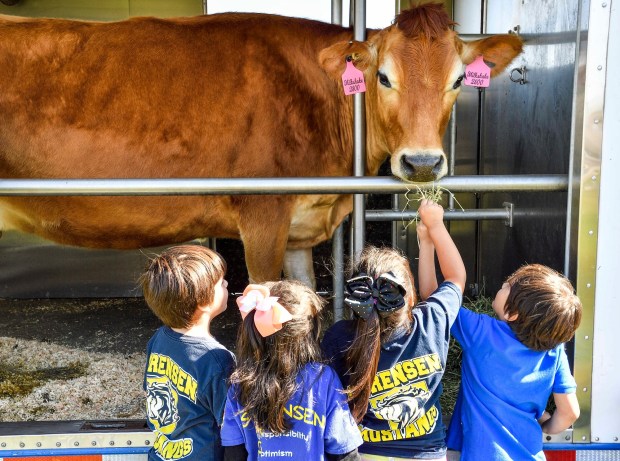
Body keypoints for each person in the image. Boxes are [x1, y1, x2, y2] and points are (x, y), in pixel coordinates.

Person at [415, 208, 583, 461]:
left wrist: (429, 239)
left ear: (512, 313)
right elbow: (569, 412)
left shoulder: (482, 332)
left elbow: (434, 299)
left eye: (506, 286)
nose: (501, 287)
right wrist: (544, 428)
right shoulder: (553, 349)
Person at [321, 199, 466, 460]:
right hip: (426, 453)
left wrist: (429, 240)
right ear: (409, 297)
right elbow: (455, 278)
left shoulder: (339, 337)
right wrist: (435, 227)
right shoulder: (431, 321)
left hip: (364, 453)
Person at [221, 280, 363, 461]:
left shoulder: (239, 384)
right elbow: (344, 453)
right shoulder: (323, 379)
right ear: (307, 332)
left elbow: (234, 454)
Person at [140, 244, 235, 461]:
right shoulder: (217, 360)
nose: (227, 283)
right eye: (221, 282)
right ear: (202, 302)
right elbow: (232, 426)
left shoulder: (159, 339)